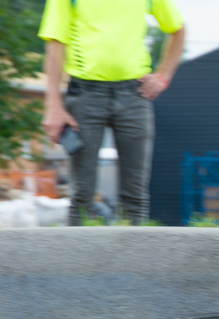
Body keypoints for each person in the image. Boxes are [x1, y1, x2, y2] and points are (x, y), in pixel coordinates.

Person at [38, 0, 186, 225]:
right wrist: (54, 106)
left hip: (135, 95)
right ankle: (80, 259)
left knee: (135, 197)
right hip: (85, 94)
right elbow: (55, 43)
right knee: (81, 195)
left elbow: (177, 29)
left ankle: (132, 260)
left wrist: (162, 76)